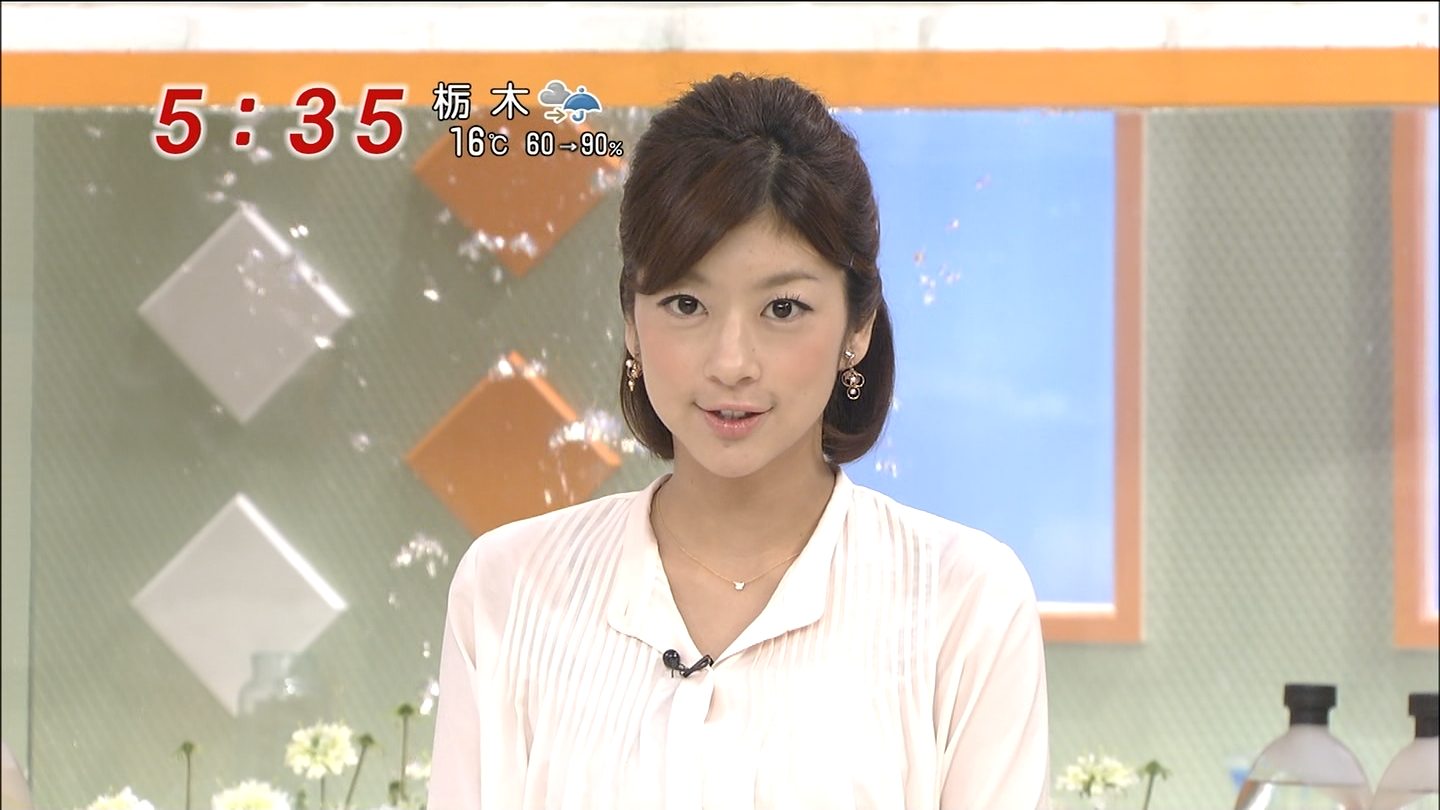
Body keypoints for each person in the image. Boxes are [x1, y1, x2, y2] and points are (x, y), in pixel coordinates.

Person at [428, 72, 1051, 810]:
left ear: (857, 326)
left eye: (782, 308)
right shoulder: (507, 587)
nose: (731, 363)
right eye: (685, 303)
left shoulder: (965, 603)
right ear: (631, 321)